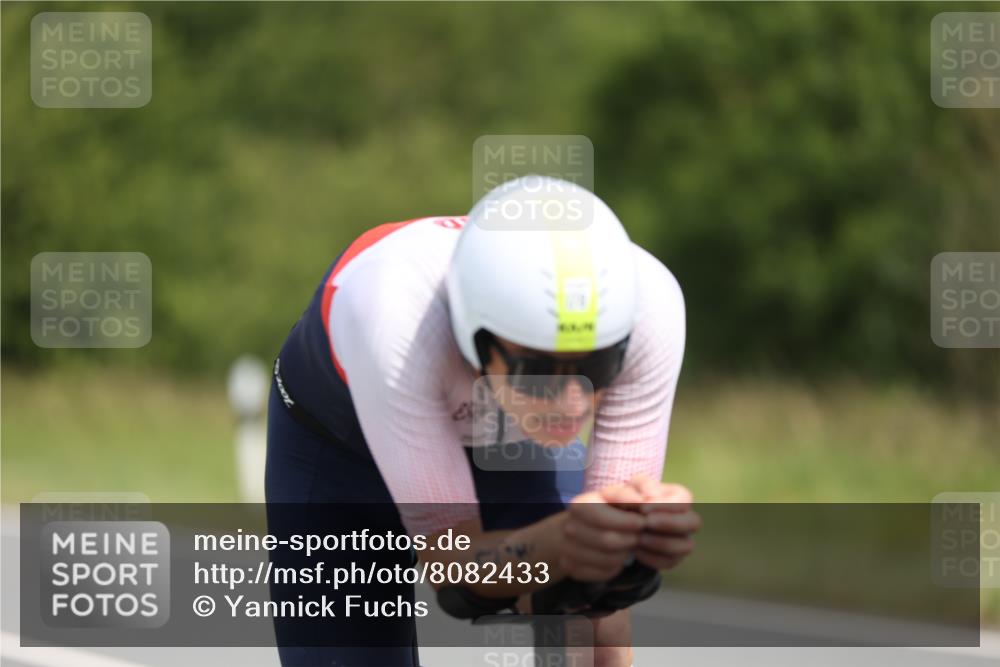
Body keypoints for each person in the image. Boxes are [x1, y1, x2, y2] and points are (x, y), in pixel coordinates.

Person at [265, 175, 699, 667]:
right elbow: (455, 572)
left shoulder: (652, 309)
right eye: (538, 371)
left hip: (498, 436)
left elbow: (604, 570)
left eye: (597, 365)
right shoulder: (396, 321)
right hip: (340, 447)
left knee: (589, 622)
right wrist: (561, 542)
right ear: (475, 337)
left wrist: (633, 539)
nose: (573, 402)